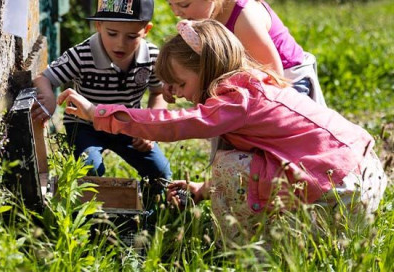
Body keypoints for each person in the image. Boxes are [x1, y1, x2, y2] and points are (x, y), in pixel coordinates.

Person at [57, 19, 386, 242]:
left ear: (207, 68)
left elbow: (175, 124)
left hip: (342, 188)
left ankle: (244, 249)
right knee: (238, 162)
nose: (180, 94)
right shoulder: (250, 88)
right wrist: (203, 190)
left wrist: (99, 113)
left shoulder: (236, 101)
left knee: (229, 166)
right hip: (360, 174)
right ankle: (316, 235)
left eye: (182, 83)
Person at [33, 0, 172, 205]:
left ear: (146, 30)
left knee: (161, 173)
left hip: (128, 125)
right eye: (112, 33)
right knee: (91, 171)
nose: (120, 44)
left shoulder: (152, 57)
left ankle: (151, 213)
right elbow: (43, 78)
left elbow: (158, 92)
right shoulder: (81, 55)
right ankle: (96, 215)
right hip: (86, 127)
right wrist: (48, 98)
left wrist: (150, 128)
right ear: (98, 26)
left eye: (131, 36)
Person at [156, 0, 326, 105]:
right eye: (170, 4)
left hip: (289, 82)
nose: (177, 12)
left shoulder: (244, 19)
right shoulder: (204, 13)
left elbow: (273, 79)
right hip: (249, 82)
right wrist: (175, 79)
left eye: (183, 5)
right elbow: (195, 61)